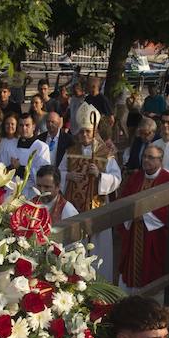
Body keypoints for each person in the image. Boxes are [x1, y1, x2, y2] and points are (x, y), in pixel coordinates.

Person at [60, 116, 121, 277]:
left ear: (94, 132)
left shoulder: (105, 153)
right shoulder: (70, 152)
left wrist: (100, 175)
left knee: (97, 248)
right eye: (81, 132)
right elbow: (57, 174)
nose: (84, 135)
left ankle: (98, 280)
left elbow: (117, 179)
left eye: (88, 131)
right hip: (73, 208)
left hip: (96, 206)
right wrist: (68, 175)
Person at [118, 145, 169, 292]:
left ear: (160, 160)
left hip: (154, 235)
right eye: (144, 156)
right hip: (132, 233)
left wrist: (142, 215)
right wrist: (131, 215)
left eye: (151, 157)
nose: (146, 160)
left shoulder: (168, 179)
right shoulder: (136, 177)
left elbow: (168, 210)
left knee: (152, 270)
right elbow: (124, 200)